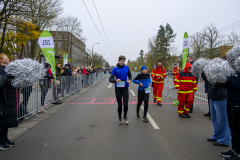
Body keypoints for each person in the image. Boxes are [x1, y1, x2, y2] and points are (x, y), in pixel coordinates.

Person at [220, 71, 240, 159]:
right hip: (230, 99)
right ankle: (233, 150)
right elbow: (227, 85)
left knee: (236, 127)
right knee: (232, 126)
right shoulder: (234, 71)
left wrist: (228, 75)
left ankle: (237, 153)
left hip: (237, 101)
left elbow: (235, 85)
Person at [206, 74, 231, 146]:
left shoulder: (225, 69)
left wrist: (217, 77)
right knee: (215, 119)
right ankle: (217, 135)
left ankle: (224, 140)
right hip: (213, 96)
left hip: (221, 97)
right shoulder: (212, 68)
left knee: (222, 120)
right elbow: (207, 81)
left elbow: (225, 83)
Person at [0, 53, 18, 150]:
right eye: (6, 58)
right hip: (2, 98)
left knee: (6, 120)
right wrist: (8, 77)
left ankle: (5, 138)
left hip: (8, 98)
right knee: (1, 120)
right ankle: (1, 141)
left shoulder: (7, 69)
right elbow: (1, 82)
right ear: (1, 60)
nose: (8, 59)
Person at [109, 55, 132, 125]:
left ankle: (125, 116)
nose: (123, 62)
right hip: (118, 88)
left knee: (126, 104)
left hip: (125, 87)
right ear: (119, 61)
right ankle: (119, 118)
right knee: (120, 105)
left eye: (124, 61)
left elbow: (130, 76)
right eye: (121, 61)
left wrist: (130, 80)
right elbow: (110, 79)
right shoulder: (115, 69)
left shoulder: (127, 68)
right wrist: (116, 80)